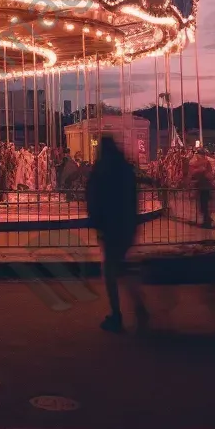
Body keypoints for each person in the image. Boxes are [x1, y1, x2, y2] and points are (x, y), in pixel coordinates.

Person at [86, 135, 149, 333]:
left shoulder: (101, 171)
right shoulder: (124, 169)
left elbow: (94, 197)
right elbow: (132, 196)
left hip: (110, 226)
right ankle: (138, 307)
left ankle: (117, 314)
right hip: (126, 224)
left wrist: (96, 220)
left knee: (111, 271)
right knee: (121, 267)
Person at [190, 148, 214, 229]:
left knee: (204, 205)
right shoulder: (197, 162)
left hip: (205, 186)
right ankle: (207, 220)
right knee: (203, 205)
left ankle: (207, 221)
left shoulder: (205, 162)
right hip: (202, 186)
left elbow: (209, 174)